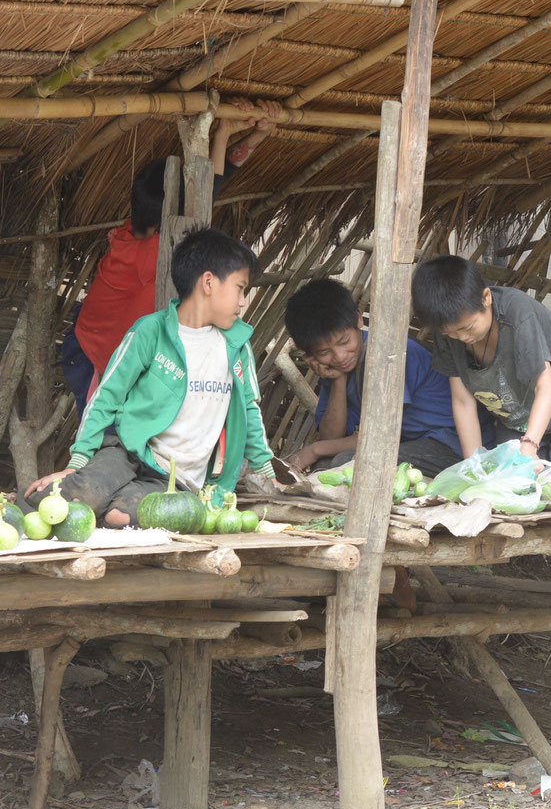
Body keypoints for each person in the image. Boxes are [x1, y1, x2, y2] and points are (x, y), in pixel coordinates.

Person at [29, 227, 275, 525]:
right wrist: (78, 462)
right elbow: (107, 396)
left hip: (177, 479)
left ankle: (103, 502)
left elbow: (249, 409)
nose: (242, 302)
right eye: (240, 287)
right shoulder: (149, 332)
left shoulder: (237, 345)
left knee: (123, 515)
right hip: (128, 453)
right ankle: (21, 505)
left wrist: (266, 470)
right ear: (209, 282)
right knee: (82, 495)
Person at [61, 104, 277, 402]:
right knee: (110, 441)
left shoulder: (137, 230)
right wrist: (226, 134)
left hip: (105, 347)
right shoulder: (154, 253)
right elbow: (207, 194)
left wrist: (239, 135)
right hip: (95, 357)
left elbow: (209, 188)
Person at [411, 254, 551, 460]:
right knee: (516, 472)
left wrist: (529, 445)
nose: (462, 337)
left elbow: (545, 388)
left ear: (486, 298)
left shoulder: (517, 312)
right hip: (519, 410)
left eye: (468, 327)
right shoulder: (448, 332)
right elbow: (463, 402)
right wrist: (473, 465)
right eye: (451, 333)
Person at [281, 278, 463, 478]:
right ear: (310, 354)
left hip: (451, 446)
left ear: (359, 319)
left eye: (344, 341)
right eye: (324, 352)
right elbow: (331, 437)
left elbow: (379, 438)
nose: (340, 356)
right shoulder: (335, 369)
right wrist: (339, 380)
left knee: (343, 464)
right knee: (326, 465)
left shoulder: (388, 354)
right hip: (409, 445)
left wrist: (312, 450)